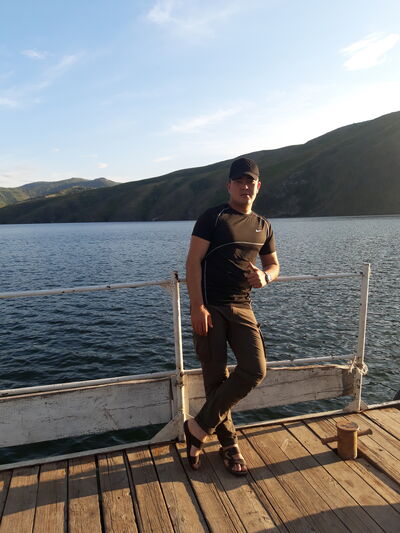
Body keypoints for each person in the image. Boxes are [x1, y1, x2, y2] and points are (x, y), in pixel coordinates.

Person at [185, 157, 280, 476]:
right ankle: (229, 445)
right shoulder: (213, 217)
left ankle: (198, 427)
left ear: (258, 186)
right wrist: (197, 306)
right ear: (229, 185)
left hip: (242, 306)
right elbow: (193, 262)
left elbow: (274, 265)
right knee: (215, 378)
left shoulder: (264, 225)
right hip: (210, 307)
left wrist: (266, 277)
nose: (245, 186)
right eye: (239, 181)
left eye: (250, 181)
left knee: (255, 369)